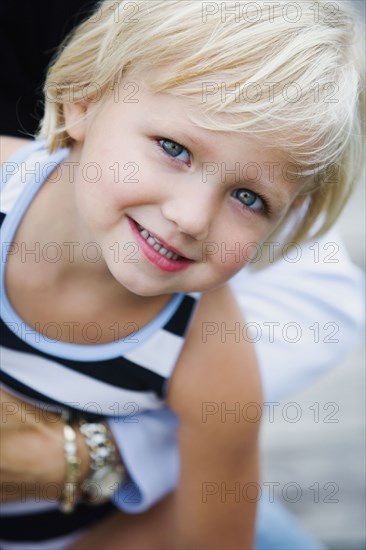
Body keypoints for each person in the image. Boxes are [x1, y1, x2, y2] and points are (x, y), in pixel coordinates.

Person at [0, 0, 364, 548]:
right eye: (174, 149)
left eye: (249, 197)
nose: (191, 218)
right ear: (83, 101)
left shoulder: (210, 351)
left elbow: (209, 533)